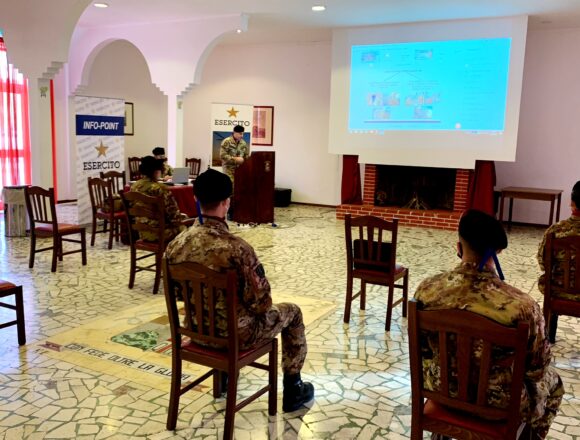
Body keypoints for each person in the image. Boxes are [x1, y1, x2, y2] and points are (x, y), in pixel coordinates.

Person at [165, 169, 314, 412]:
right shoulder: (238, 249)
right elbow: (262, 303)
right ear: (226, 202)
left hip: (195, 331)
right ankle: (294, 389)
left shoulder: (175, 245)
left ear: (195, 199)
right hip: (238, 337)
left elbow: (178, 295)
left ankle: (223, 379)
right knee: (293, 313)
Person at [414, 209, 564, 440]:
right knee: (554, 383)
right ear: (498, 251)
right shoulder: (522, 307)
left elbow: (423, 351)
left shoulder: (427, 290)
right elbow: (536, 369)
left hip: (440, 389)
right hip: (498, 406)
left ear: (458, 247)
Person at [537, 180, 580, 337]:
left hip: (558, 291)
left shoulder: (555, 231)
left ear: (572, 203)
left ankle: (548, 335)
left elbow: (543, 263)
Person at [130, 156, 185, 242]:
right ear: (156, 172)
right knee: (186, 226)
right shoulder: (160, 189)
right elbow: (174, 215)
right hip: (160, 233)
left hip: (142, 232)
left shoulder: (134, 187)